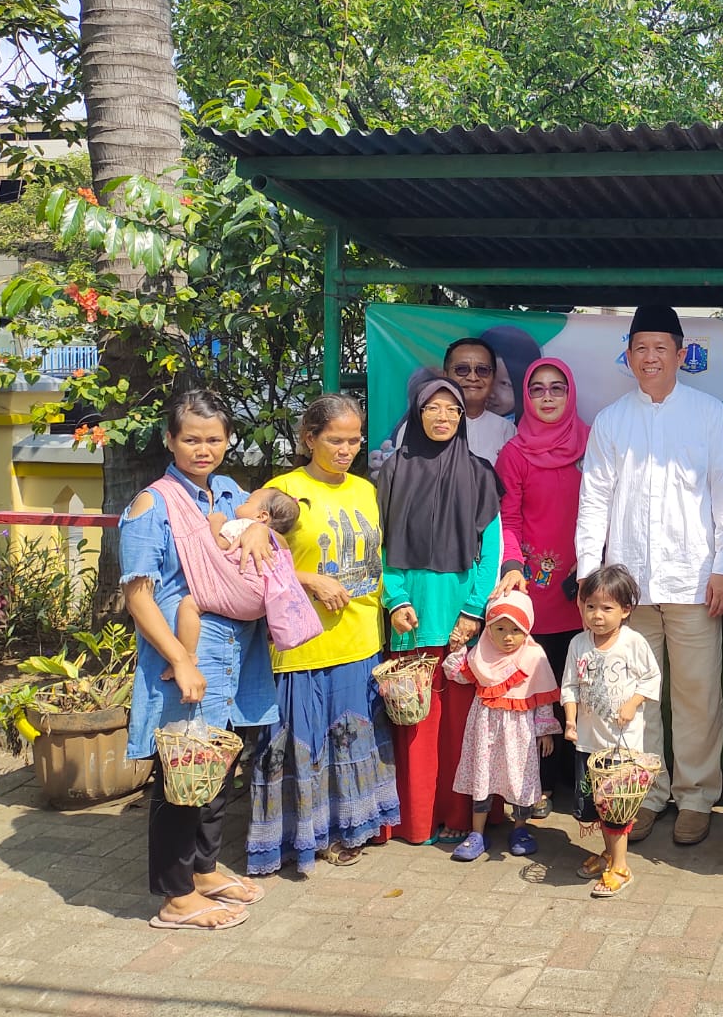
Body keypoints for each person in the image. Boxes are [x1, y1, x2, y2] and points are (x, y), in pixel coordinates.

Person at [576, 304, 723, 847]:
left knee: (697, 696)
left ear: (680, 353)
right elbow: (594, 500)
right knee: (635, 697)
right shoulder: (612, 420)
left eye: (660, 348)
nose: (650, 358)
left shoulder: (709, 414)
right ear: (628, 355)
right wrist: (589, 576)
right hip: (627, 590)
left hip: (695, 582)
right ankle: (644, 793)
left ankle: (696, 797)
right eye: (640, 349)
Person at [120, 390, 278, 931]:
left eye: (213, 439)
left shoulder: (231, 494)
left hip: (235, 655)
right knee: (181, 773)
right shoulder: (153, 505)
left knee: (216, 766)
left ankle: (204, 871)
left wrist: (260, 525)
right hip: (185, 656)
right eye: (191, 439)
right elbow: (138, 595)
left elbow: (278, 516)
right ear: (170, 440)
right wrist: (181, 659)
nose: (202, 449)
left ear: (228, 441)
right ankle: (176, 897)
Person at [248, 394, 400, 876]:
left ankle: (346, 830)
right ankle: (298, 839)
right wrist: (309, 580)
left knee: (349, 739)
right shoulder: (284, 491)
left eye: (354, 440)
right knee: (302, 744)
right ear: (309, 438)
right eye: (335, 440)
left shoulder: (366, 489)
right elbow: (246, 555)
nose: (346, 449)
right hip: (302, 644)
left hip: (360, 639)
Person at [375, 373, 504, 845]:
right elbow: (380, 546)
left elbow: (491, 551)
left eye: (452, 410)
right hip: (410, 618)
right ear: (417, 413)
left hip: (461, 622)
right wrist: (395, 600)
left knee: (460, 727)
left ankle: (460, 816)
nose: (443, 417)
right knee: (414, 724)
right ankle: (416, 821)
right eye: (433, 408)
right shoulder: (392, 472)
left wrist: (473, 611)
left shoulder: (480, 474)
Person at [493, 357, 589, 810]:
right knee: (540, 684)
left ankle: (583, 780)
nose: (547, 397)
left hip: (585, 585)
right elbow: (508, 518)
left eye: (557, 388)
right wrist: (512, 565)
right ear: (526, 398)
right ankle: (540, 781)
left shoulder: (592, 443)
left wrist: (593, 562)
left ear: (571, 393)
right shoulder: (514, 454)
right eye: (537, 389)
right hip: (534, 585)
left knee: (584, 682)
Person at [561, 565, 662, 899]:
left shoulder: (633, 642)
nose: (597, 615)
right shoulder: (578, 644)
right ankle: (609, 854)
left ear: (625, 610)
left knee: (616, 807)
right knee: (597, 804)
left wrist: (632, 703)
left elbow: (651, 678)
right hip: (588, 743)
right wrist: (571, 721)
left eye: (607, 608)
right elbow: (570, 687)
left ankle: (621, 867)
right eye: (590, 606)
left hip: (622, 746)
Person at [442, 591, 560, 862]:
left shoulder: (534, 656)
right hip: (485, 729)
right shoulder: (481, 654)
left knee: (521, 778)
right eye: (500, 629)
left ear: (527, 627)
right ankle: (477, 833)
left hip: (520, 733)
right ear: (489, 628)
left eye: (516, 630)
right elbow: (458, 675)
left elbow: (542, 696)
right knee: (482, 777)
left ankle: (520, 829)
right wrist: (458, 649)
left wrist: (545, 732)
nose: (508, 637)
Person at [167, 487, 305, 679]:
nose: (241, 503)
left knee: (189, 604)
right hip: (264, 603)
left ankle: (187, 657)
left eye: (247, 502)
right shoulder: (274, 541)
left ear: (262, 516)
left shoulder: (243, 525)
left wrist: (216, 522)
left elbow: (218, 545)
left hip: (245, 594)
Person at [372, 345, 516, 470]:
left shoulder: (507, 429)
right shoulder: (415, 426)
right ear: (446, 375)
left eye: (482, 370)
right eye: (462, 369)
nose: (472, 377)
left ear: (491, 377)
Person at [480, 324, 544, 421]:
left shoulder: (533, 427)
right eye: (486, 377)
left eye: (505, 383)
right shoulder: (461, 422)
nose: (491, 394)